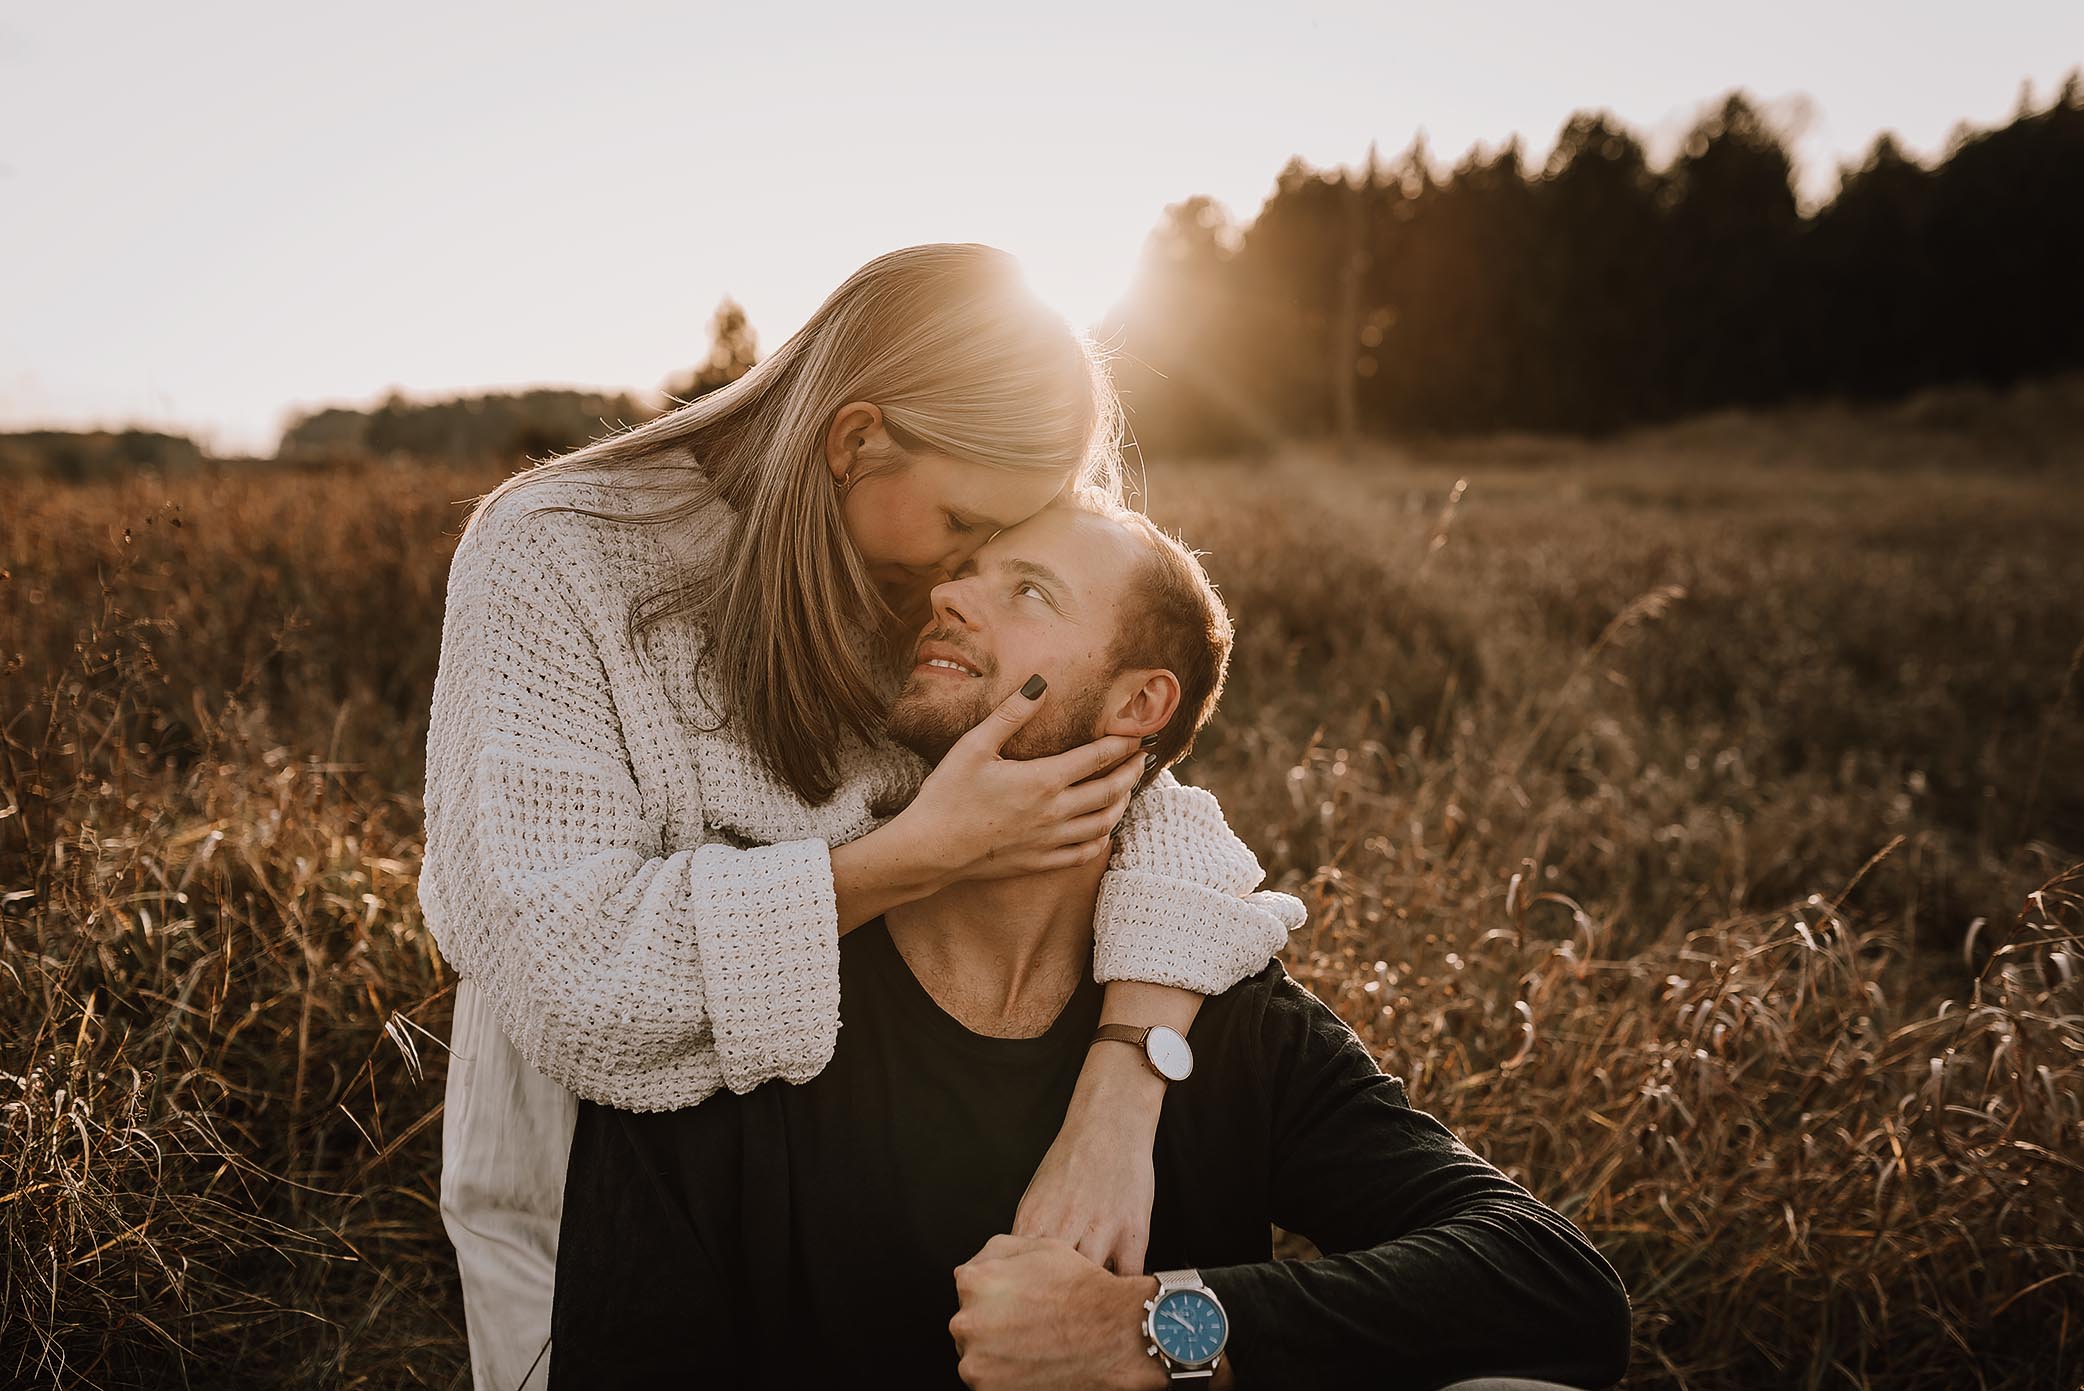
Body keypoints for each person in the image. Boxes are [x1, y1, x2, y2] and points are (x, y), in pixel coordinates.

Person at [417, 244, 1305, 1389]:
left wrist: (1121, 1087)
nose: (964, 574)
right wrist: (916, 856)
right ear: (854, 440)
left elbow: (1149, 811)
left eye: (1006, 550)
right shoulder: (555, 553)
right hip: (579, 1133)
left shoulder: (923, 584)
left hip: (833, 1165)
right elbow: (569, 973)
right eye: (962, 523)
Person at [550, 499, 1633, 1390]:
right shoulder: (748, 996)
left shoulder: (1221, 1013)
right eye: (963, 569)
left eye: (1027, 589)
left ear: (1136, 705)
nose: (949, 594)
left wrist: (1152, 1329)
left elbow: (1553, 1283)